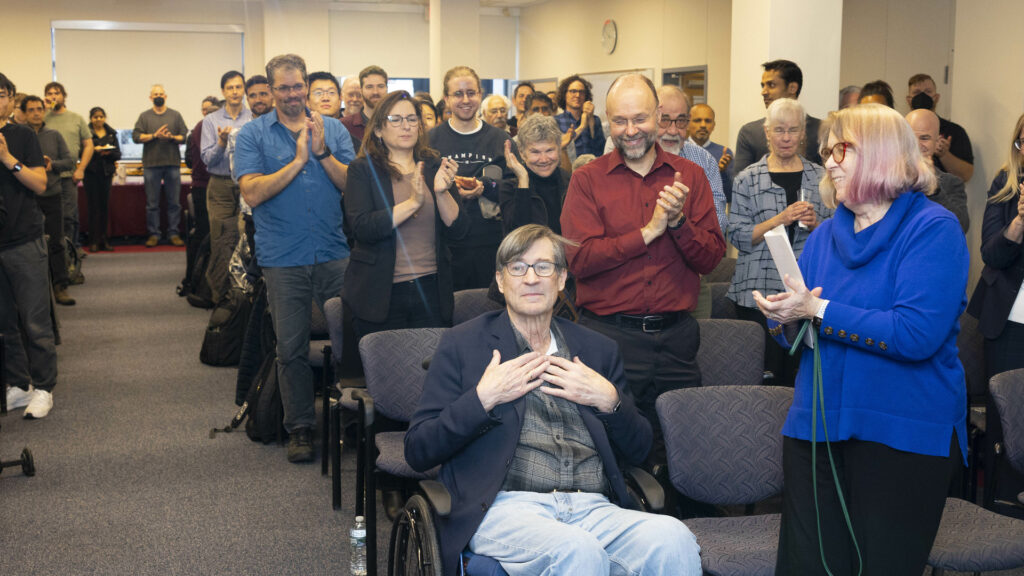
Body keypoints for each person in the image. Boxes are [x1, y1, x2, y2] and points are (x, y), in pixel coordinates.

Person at [405, 223, 702, 576]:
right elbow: (418, 449)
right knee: (576, 550)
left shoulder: (597, 349)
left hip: (594, 507)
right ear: (501, 281)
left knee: (674, 537)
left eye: (543, 267)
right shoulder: (462, 344)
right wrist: (483, 399)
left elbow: (639, 451)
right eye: (518, 267)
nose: (531, 278)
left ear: (561, 279)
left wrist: (610, 402)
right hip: (506, 509)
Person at [753, 103, 968, 575]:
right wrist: (783, 316)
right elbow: (804, 318)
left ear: (882, 154)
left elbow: (915, 335)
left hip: (901, 433)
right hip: (817, 428)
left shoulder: (933, 228)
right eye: (827, 150)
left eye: (841, 149)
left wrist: (818, 311)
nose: (828, 161)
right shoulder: (827, 235)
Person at [560, 74, 725, 466]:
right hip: (609, 338)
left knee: (681, 450)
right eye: (620, 121)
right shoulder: (587, 180)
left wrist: (679, 224)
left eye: (640, 119)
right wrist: (648, 232)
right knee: (611, 451)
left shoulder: (691, 176)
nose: (631, 131)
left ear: (658, 115)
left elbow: (711, 259)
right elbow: (579, 260)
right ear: (606, 120)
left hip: (677, 340)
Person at [235, 54, 355, 463]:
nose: (291, 94)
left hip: (333, 252)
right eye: (282, 87)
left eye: (297, 86)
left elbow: (351, 186)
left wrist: (320, 153)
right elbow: (251, 192)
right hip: (282, 257)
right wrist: (299, 160)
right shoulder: (252, 135)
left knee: (348, 342)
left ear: (307, 86)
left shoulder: (333, 128)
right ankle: (300, 426)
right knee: (290, 349)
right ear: (270, 90)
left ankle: (351, 420)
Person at [343, 90, 466, 338]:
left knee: (432, 371)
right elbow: (362, 228)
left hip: (431, 289)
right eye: (395, 120)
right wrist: (412, 203)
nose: (406, 126)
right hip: (381, 293)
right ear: (378, 129)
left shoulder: (433, 166)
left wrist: (442, 193)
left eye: (412, 119)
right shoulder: (362, 170)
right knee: (384, 373)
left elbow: (459, 230)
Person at [728, 98, 830, 387]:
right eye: (779, 130)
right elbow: (737, 236)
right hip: (756, 293)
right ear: (767, 132)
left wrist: (817, 224)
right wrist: (780, 218)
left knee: (802, 378)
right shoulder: (747, 179)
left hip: (808, 289)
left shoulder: (821, 177)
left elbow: (839, 237)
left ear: (803, 134)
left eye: (793, 130)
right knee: (760, 377)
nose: (786, 138)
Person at [0, 72, 57, 419]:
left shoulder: (22, 135)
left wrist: (9, 159)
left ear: (10, 99)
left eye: (1, 93)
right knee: (5, 323)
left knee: (35, 321)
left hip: (24, 240)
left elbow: (39, 183)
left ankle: (45, 387)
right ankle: (19, 386)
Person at [428, 65, 515, 291]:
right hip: (444, 246)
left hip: (490, 243)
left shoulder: (501, 139)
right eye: (458, 94)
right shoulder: (430, 141)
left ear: (480, 94)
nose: (465, 99)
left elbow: (515, 188)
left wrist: (485, 187)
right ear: (446, 99)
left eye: (471, 93)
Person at [605, 86, 727, 235]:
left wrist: (681, 227)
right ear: (652, 118)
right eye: (665, 120)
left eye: (681, 121)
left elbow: (717, 223)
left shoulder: (704, 161)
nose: (673, 131)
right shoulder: (627, 153)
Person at [967, 112, 1024, 380]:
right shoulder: (1005, 183)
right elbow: (990, 254)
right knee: (1003, 415)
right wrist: (1019, 221)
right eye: (1022, 142)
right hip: (1008, 320)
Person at [22, 95, 75, 305]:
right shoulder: (19, 136)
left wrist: (52, 164)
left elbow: (70, 161)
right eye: (31, 110)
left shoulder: (54, 135)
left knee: (56, 242)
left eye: (39, 109)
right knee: (28, 246)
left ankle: (60, 286)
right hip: (26, 198)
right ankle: (33, 290)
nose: (36, 113)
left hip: (52, 195)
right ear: (25, 113)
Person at [733, 60, 822, 176]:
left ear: (792, 88)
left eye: (771, 85)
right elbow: (739, 183)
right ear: (767, 132)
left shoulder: (822, 130)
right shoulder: (750, 133)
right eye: (763, 85)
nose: (763, 92)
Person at [201, 70, 253, 256]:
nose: (234, 92)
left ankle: (246, 284)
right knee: (221, 239)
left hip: (248, 182)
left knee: (248, 237)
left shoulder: (253, 119)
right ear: (223, 92)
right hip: (220, 185)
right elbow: (207, 159)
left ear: (244, 90)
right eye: (230, 88)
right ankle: (221, 285)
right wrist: (221, 143)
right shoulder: (210, 121)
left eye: (238, 87)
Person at [132, 84, 188, 248]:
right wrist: (154, 135)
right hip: (151, 165)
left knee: (174, 203)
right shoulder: (144, 117)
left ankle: (173, 233)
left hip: (172, 164)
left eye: (161, 93)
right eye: (155, 94)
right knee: (152, 203)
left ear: (165, 96)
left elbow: (184, 137)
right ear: (150, 97)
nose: (158, 96)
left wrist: (171, 137)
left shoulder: (175, 115)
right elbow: (135, 136)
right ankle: (154, 234)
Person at [43, 82, 93, 254]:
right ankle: (54, 253)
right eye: (49, 93)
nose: (53, 96)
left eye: (56, 93)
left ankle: (71, 251)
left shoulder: (76, 118)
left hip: (68, 175)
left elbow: (88, 145)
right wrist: (43, 110)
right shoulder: (41, 118)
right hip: (45, 177)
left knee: (69, 216)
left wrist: (81, 168)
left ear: (64, 96)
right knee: (49, 218)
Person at [501, 114, 570, 234]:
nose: (543, 159)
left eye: (549, 150)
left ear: (559, 149)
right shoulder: (509, 187)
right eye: (535, 152)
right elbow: (518, 235)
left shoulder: (572, 182)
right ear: (522, 153)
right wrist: (523, 179)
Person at [906, 108, 970, 232]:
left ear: (936, 143)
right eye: (911, 137)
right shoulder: (884, 177)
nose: (917, 144)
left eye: (924, 138)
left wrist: (934, 189)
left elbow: (961, 226)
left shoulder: (951, 183)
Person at [907, 73, 973, 183]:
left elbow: (966, 175)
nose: (922, 96)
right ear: (909, 99)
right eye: (917, 92)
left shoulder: (954, 131)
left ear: (936, 98)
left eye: (928, 92)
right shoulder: (898, 130)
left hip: (943, 196)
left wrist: (944, 155)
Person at [84, 106, 120, 253]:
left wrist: (107, 153)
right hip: (91, 173)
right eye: (95, 117)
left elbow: (118, 154)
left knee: (105, 207)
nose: (98, 119)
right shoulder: (86, 133)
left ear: (105, 118)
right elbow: (81, 152)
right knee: (93, 208)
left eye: (101, 116)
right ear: (91, 119)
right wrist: (95, 151)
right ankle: (93, 241)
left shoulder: (111, 133)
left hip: (106, 173)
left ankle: (104, 239)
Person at [689, 103, 734, 204]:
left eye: (708, 121)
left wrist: (721, 172)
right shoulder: (678, 149)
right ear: (688, 124)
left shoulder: (724, 153)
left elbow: (729, 197)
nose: (703, 125)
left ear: (713, 125)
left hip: (713, 214)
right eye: (697, 120)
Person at [555, 75, 606, 157]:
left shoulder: (595, 119)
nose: (578, 95)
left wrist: (591, 121)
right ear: (565, 94)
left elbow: (601, 150)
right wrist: (582, 126)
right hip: (569, 168)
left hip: (592, 167)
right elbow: (558, 147)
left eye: (581, 92)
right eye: (573, 91)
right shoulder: (555, 121)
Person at [342, 65, 388, 152]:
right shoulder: (344, 125)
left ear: (387, 88)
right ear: (361, 90)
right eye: (369, 87)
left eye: (381, 86)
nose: (375, 92)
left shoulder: (396, 123)